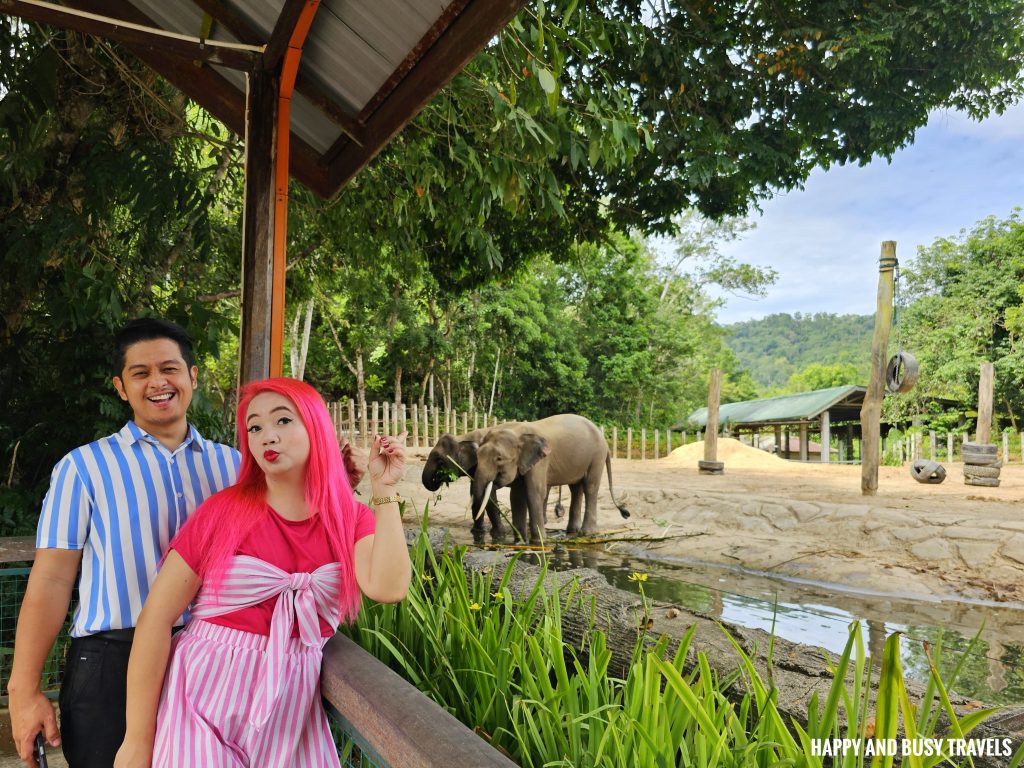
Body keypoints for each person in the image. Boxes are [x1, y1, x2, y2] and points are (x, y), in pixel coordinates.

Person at [113, 377, 412, 768]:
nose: (267, 436)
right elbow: (155, 618)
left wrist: (384, 489)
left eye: (283, 421)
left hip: (291, 711)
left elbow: (388, 588)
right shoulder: (223, 512)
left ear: (316, 428)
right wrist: (136, 740)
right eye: (254, 427)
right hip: (202, 699)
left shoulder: (350, 518)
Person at [7, 318, 241, 768]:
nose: (158, 382)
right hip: (109, 664)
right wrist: (24, 690)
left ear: (192, 377)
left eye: (170, 368)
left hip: (211, 659)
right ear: (120, 386)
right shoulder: (84, 467)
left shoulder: (231, 467)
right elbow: (52, 580)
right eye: (140, 373)